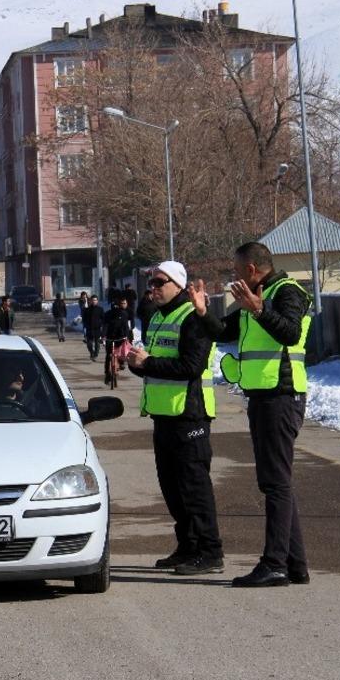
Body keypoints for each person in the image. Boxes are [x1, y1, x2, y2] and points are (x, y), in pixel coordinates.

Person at [198, 242, 312, 588]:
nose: (234, 277)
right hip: (264, 398)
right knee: (275, 481)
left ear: (251, 268)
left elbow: (291, 332)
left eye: (236, 270)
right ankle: (295, 565)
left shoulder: (287, 292)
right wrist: (203, 313)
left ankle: (274, 563)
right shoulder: (255, 295)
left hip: (281, 396)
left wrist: (261, 310)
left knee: (276, 483)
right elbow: (225, 332)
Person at [126, 261, 224, 576]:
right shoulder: (157, 317)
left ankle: (209, 551)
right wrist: (136, 363)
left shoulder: (192, 318)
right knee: (171, 488)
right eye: (149, 284)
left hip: (189, 415)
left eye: (158, 282)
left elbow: (190, 367)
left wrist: (149, 362)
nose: (151, 289)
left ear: (177, 284)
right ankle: (187, 546)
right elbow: (153, 363)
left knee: (194, 487)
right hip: (163, 416)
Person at [103, 295, 133, 384]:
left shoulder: (123, 314)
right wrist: (103, 336)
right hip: (109, 338)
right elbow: (105, 326)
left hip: (120, 338)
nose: (115, 307)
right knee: (108, 356)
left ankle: (120, 363)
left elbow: (126, 327)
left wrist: (126, 336)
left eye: (116, 305)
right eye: (113, 305)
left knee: (120, 354)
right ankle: (107, 374)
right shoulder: (107, 314)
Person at [83, 295, 104, 361]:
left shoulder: (100, 309)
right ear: (90, 301)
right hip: (89, 329)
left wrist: (101, 325)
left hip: (97, 329)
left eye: (95, 300)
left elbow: (103, 319)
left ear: (97, 301)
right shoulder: (87, 310)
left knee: (97, 343)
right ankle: (91, 352)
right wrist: (86, 325)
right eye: (92, 300)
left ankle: (95, 354)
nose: (94, 301)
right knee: (89, 344)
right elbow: (84, 319)